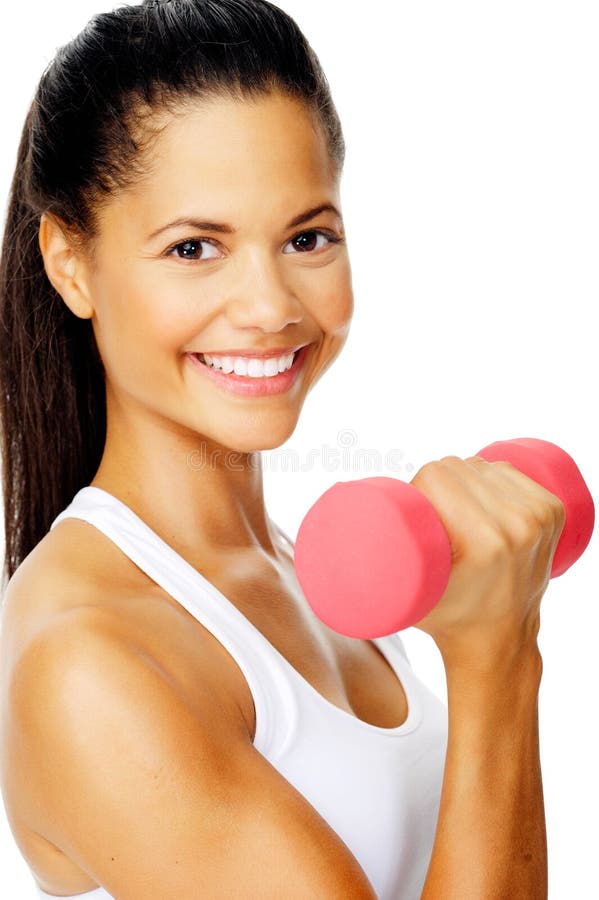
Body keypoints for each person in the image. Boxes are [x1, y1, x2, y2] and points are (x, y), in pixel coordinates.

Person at [0, 1, 564, 898]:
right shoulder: (88, 664)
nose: (269, 307)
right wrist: (497, 656)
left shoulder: (297, 572)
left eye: (307, 237)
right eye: (195, 248)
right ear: (71, 264)